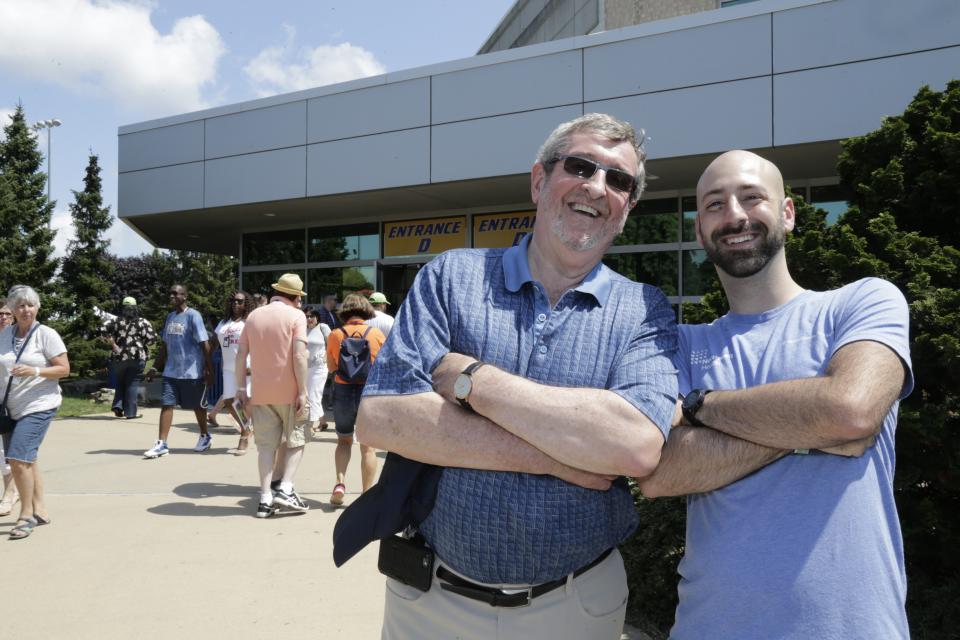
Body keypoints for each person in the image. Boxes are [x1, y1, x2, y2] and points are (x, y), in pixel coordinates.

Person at [352, 113, 678, 640]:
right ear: (539, 180)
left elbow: (635, 446)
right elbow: (384, 418)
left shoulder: (645, 310)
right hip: (431, 602)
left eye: (618, 180)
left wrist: (472, 380)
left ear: (627, 209)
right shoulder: (450, 278)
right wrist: (565, 457)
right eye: (581, 166)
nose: (597, 187)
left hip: (576, 605)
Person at [637, 150, 913, 639]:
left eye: (751, 197)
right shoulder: (680, 344)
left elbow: (851, 410)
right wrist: (812, 426)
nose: (735, 215)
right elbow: (661, 472)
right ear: (699, 231)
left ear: (787, 213)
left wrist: (702, 407)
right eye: (715, 205)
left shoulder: (862, 303)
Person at [235, 274, 311, 518]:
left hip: (260, 392)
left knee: (266, 447)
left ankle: (265, 499)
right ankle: (286, 488)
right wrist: (303, 391)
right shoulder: (296, 316)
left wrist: (239, 389)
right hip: (289, 391)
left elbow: (240, 354)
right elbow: (299, 356)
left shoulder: (254, 316)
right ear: (297, 297)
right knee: (297, 440)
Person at [0, 285, 70, 539]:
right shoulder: (5, 335)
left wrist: (36, 371)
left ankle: (26, 515)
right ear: (13, 310)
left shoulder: (46, 334)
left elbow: (64, 369)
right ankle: (40, 509)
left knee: (18, 459)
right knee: (26, 460)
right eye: (20, 305)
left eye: (30, 304)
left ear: (37, 307)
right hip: (10, 408)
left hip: (39, 405)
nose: (26, 309)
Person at [325, 294, 385, 505]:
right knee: (368, 446)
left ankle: (340, 482)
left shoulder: (335, 334)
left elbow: (332, 367)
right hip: (368, 393)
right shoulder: (376, 334)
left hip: (342, 390)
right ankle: (366, 495)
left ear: (345, 312)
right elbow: (382, 366)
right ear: (366, 311)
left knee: (343, 440)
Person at [143, 284, 214, 459]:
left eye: (176, 293)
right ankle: (162, 444)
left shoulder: (193, 316)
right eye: (171, 293)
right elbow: (165, 345)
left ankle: (205, 435)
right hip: (171, 372)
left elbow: (204, 344)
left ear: (185, 296)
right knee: (167, 404)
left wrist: (209, 368)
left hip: (192, 372)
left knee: (198, 406)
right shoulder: (170, 317)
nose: (172, 296)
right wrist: (154, 367)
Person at [213, 291, 254, 455]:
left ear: (246, 304)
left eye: (240, 301)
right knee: (229, 401)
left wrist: (255, 364)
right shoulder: (223, 323)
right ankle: (247, 427)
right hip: (228, 368)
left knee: (245, 402)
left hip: (246, 367)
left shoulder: (249, 322)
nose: (236, 304)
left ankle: (244, 435)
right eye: (234, 301)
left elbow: (258, 344)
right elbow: (214, 342)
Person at [101, 297, 155, 420]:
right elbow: (151, 340)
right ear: (135, 307)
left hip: (118, 356)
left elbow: (102, 330)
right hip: (137, 356)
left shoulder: (114, 321)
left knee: (120, 381)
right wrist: (141, 341)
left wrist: (113, 344)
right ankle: (130, 413)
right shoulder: (143, 322)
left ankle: (118, 406)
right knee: (132, 383)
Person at [0, 298, 19, 517]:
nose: (3, 317)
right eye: (0, 314)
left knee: (8, 450)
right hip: (2, 401)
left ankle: (10, 493)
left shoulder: (19, 338)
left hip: (16, 401)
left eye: (6, 314)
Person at [304, 308, 331, 433]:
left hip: (320, 367)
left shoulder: (323, 327)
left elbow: (332, 344)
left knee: (313, 395)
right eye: (307, 316)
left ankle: (310, 425)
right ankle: (323, 421)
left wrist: (326, 358)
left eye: (312, 316)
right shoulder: (303, 329)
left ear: (317, 317)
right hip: (306, 367)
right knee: (311, 395)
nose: (309, 319)